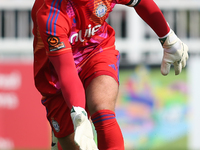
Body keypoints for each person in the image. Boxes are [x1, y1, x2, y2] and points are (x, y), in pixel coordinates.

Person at [31, 0, 189, 149]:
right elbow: (66, 70)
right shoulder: (50, 13)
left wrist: (168, 38)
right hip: (55, 72)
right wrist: (78, 113)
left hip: (97, 50)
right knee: (74, 142)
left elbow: (141, 2)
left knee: (102, 108)